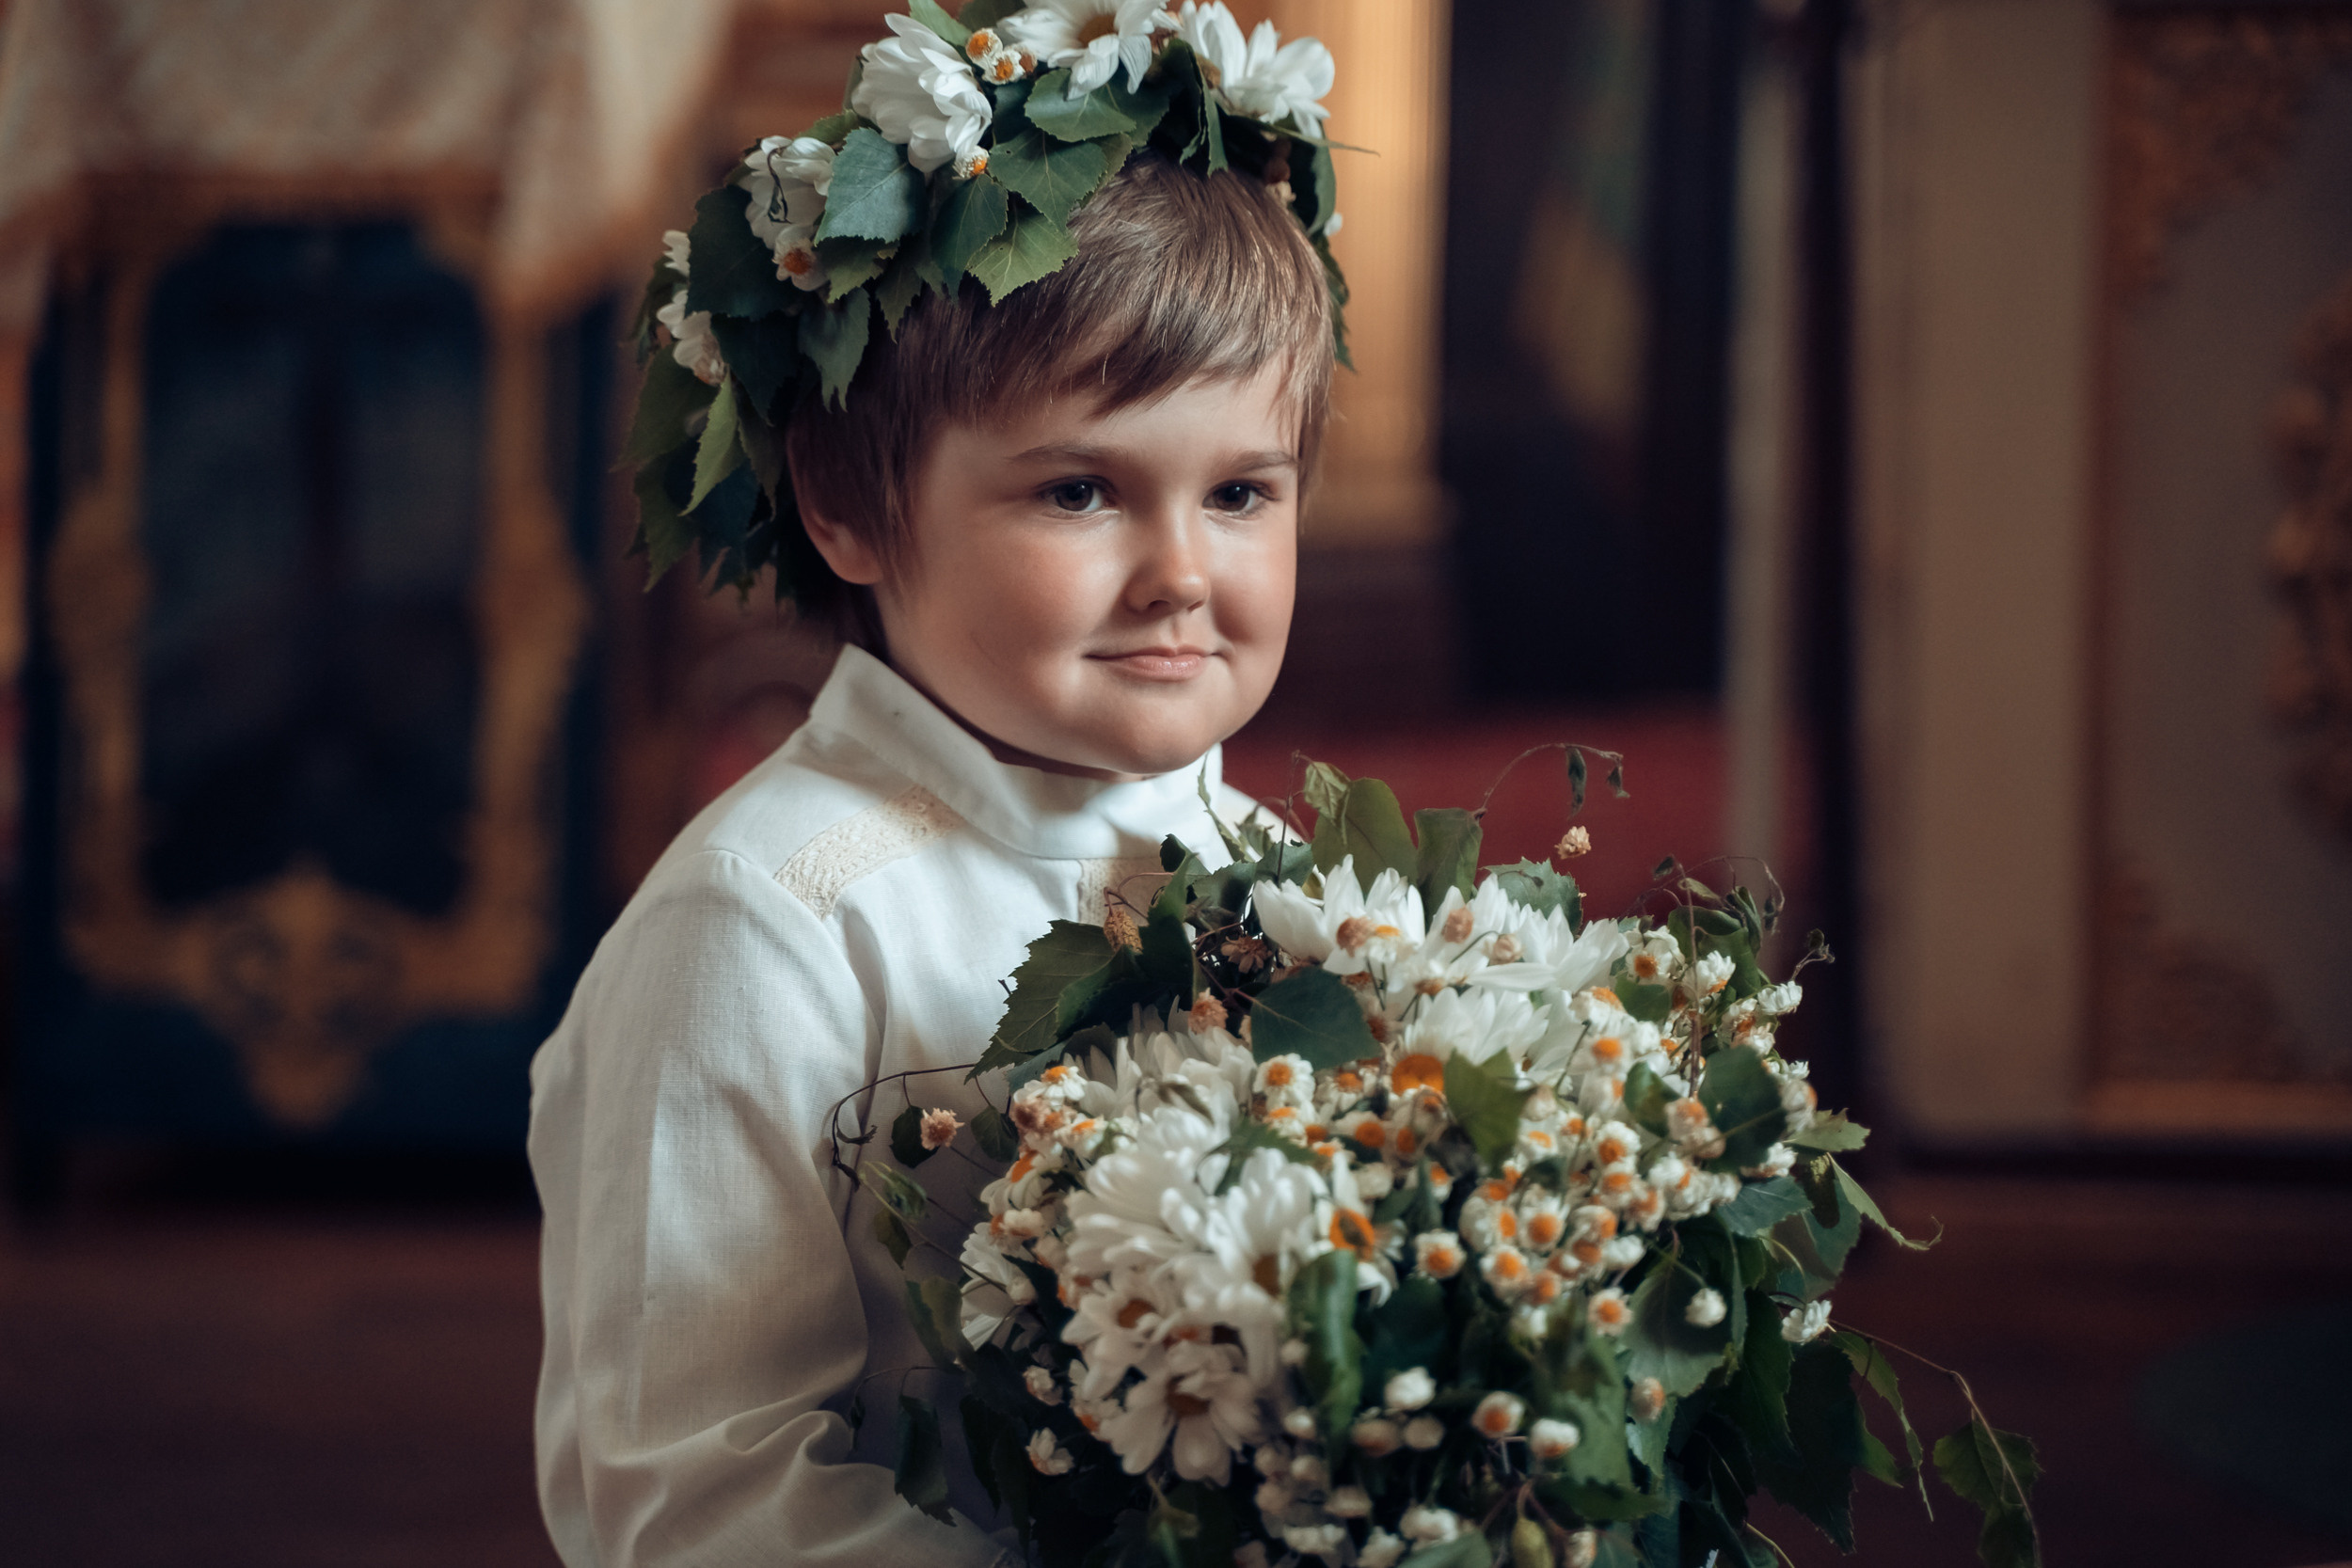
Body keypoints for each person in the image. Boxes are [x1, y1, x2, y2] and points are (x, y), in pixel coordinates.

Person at [524, 35, 1342, 1561]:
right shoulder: (764, 926)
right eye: (1078, 491)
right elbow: (688, 1491)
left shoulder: (1271, 870)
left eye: (1241, 491)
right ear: (844, 500)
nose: (1181, 573)